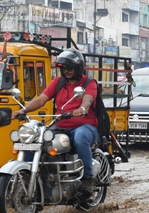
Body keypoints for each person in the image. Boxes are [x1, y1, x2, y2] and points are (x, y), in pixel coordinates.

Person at [12, 48, 99, 197]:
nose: (66, 70)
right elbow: (41, 99)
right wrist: (23, 110)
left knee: (80, 138)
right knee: (34, 138)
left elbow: (88, 99)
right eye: (64, 67)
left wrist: (82, 108)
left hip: (85, 125)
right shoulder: (58, 82)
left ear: (78, 68)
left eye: (70, 67)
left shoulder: (88, 83)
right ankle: (29, 176)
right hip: (60, 125)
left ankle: (87, 179)